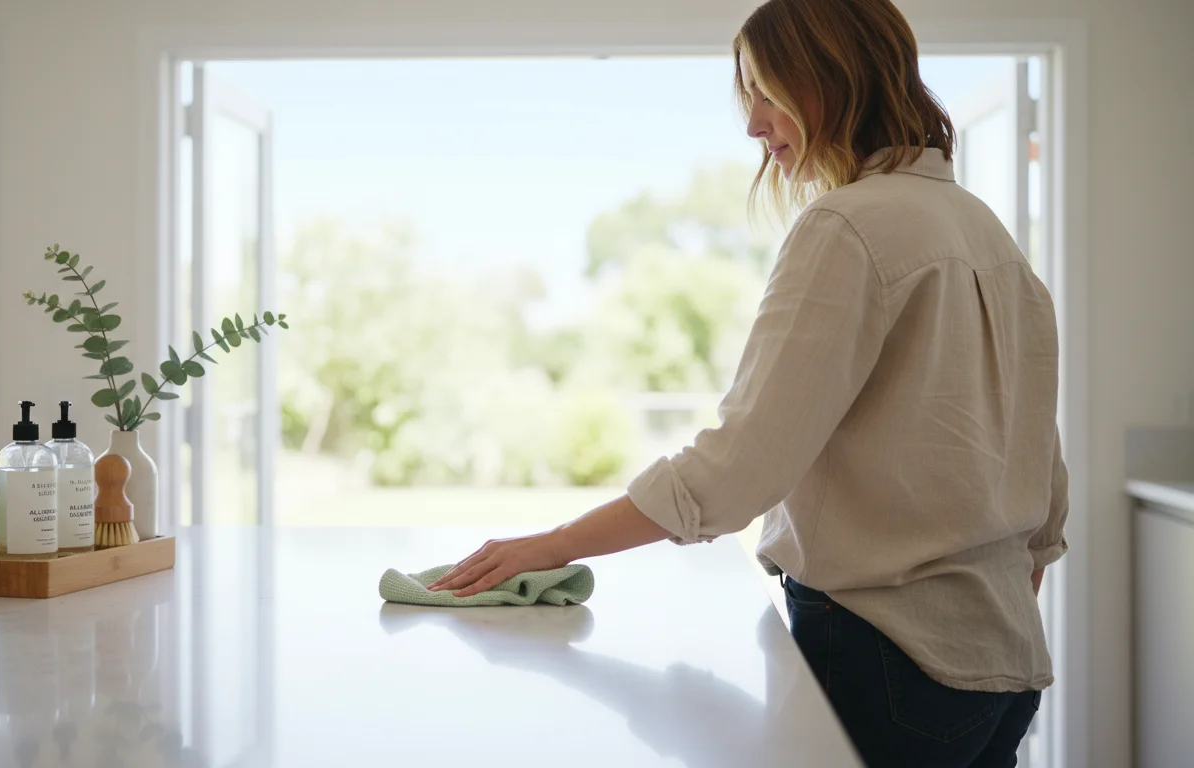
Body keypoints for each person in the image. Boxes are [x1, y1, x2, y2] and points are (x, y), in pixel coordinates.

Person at [427, 0, 1068, 764]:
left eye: (767, 92)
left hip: (887, 661)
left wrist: (550, 544)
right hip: (1003, 668)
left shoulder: (848, 228)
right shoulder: (986, 231)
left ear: (829, 78)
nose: (755, 125)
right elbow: (1041, 473)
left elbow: (738, 469)